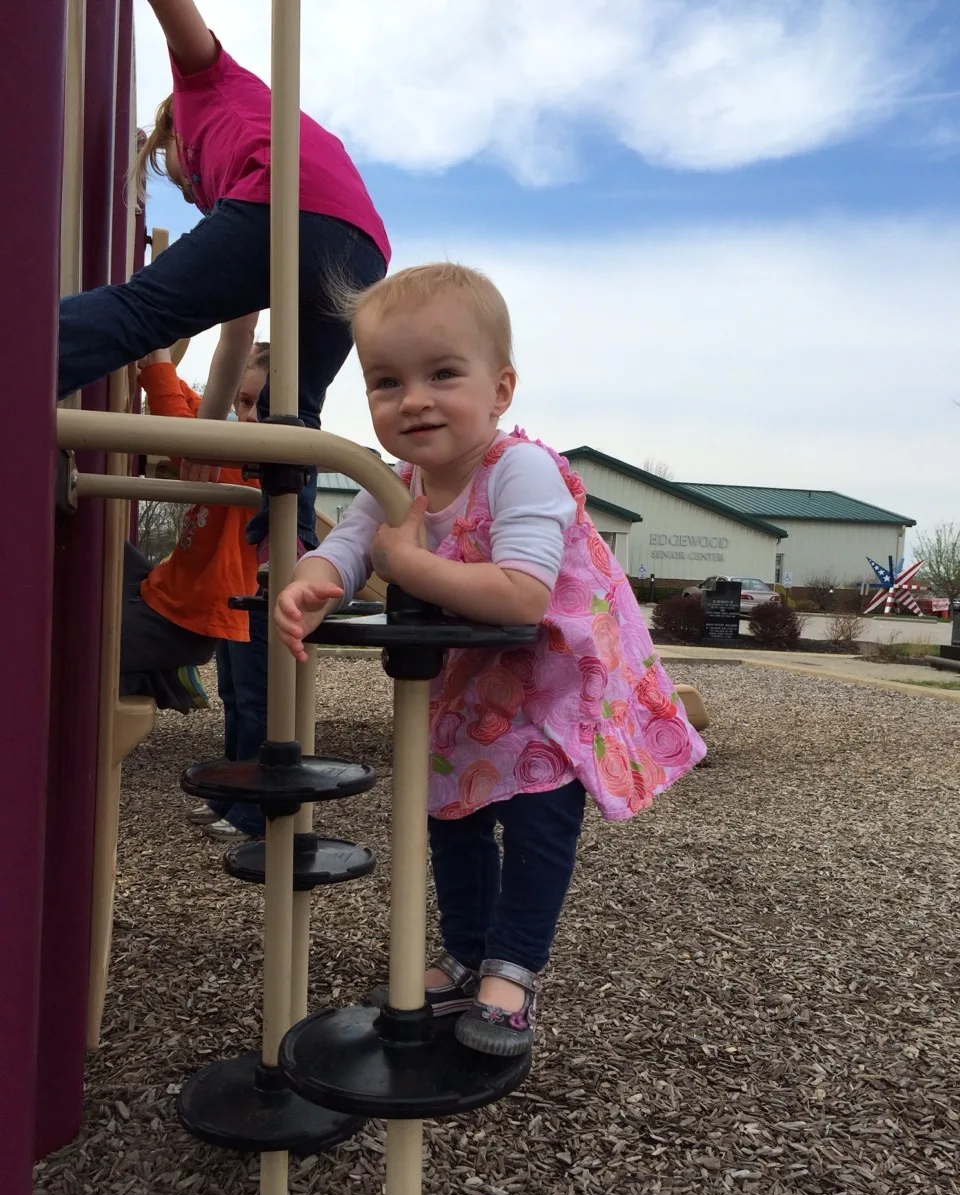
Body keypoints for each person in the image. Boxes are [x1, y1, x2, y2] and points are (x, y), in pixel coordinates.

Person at [274, 264, 708, 1057]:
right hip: (473, 687)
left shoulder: (520, 470)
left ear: (501, 389)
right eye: (387, 382)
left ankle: (513, 970)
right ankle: (465, 951)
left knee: (537, 825)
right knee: (454, 816)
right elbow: (347, 545)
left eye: (443, 374)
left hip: (556, 685)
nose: (413, 400)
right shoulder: (397, 483)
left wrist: (406, 564)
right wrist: (311, 583)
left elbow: (522, 596)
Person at [58, 0, 390, 570]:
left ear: (169, 135)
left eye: (179, 173)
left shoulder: (200, 85)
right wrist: (207, 441)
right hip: (365, 245)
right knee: (295, 411)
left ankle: (22, 369)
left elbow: (179, 19)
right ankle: (286, 551)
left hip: (283, 194)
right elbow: (237, 335)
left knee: (142, 310)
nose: (190, 192)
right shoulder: (245, 161)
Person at [122, 332, 262, 718]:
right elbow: (198, 412)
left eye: (264, 406)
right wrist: (163, 371)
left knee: (87, 641)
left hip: (183, 624)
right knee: (99, 545)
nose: (252, 416)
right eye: (246, 402)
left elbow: (183, 437)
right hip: (167, 591)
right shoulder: (235, 443)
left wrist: (158, 363)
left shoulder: (261, 466)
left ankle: (160, 678)